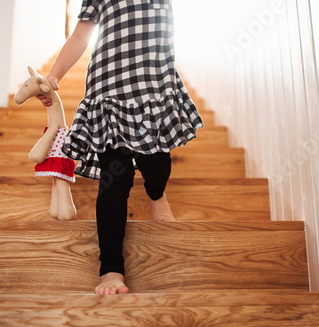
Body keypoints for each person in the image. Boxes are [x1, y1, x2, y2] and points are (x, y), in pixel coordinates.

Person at [37, 0, 204, 295]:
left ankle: (156, 193)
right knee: (114, 181)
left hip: (152, 87)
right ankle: (110, 268)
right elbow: (81, 35)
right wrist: (54, 77)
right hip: (108, 90)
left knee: (156, 163)